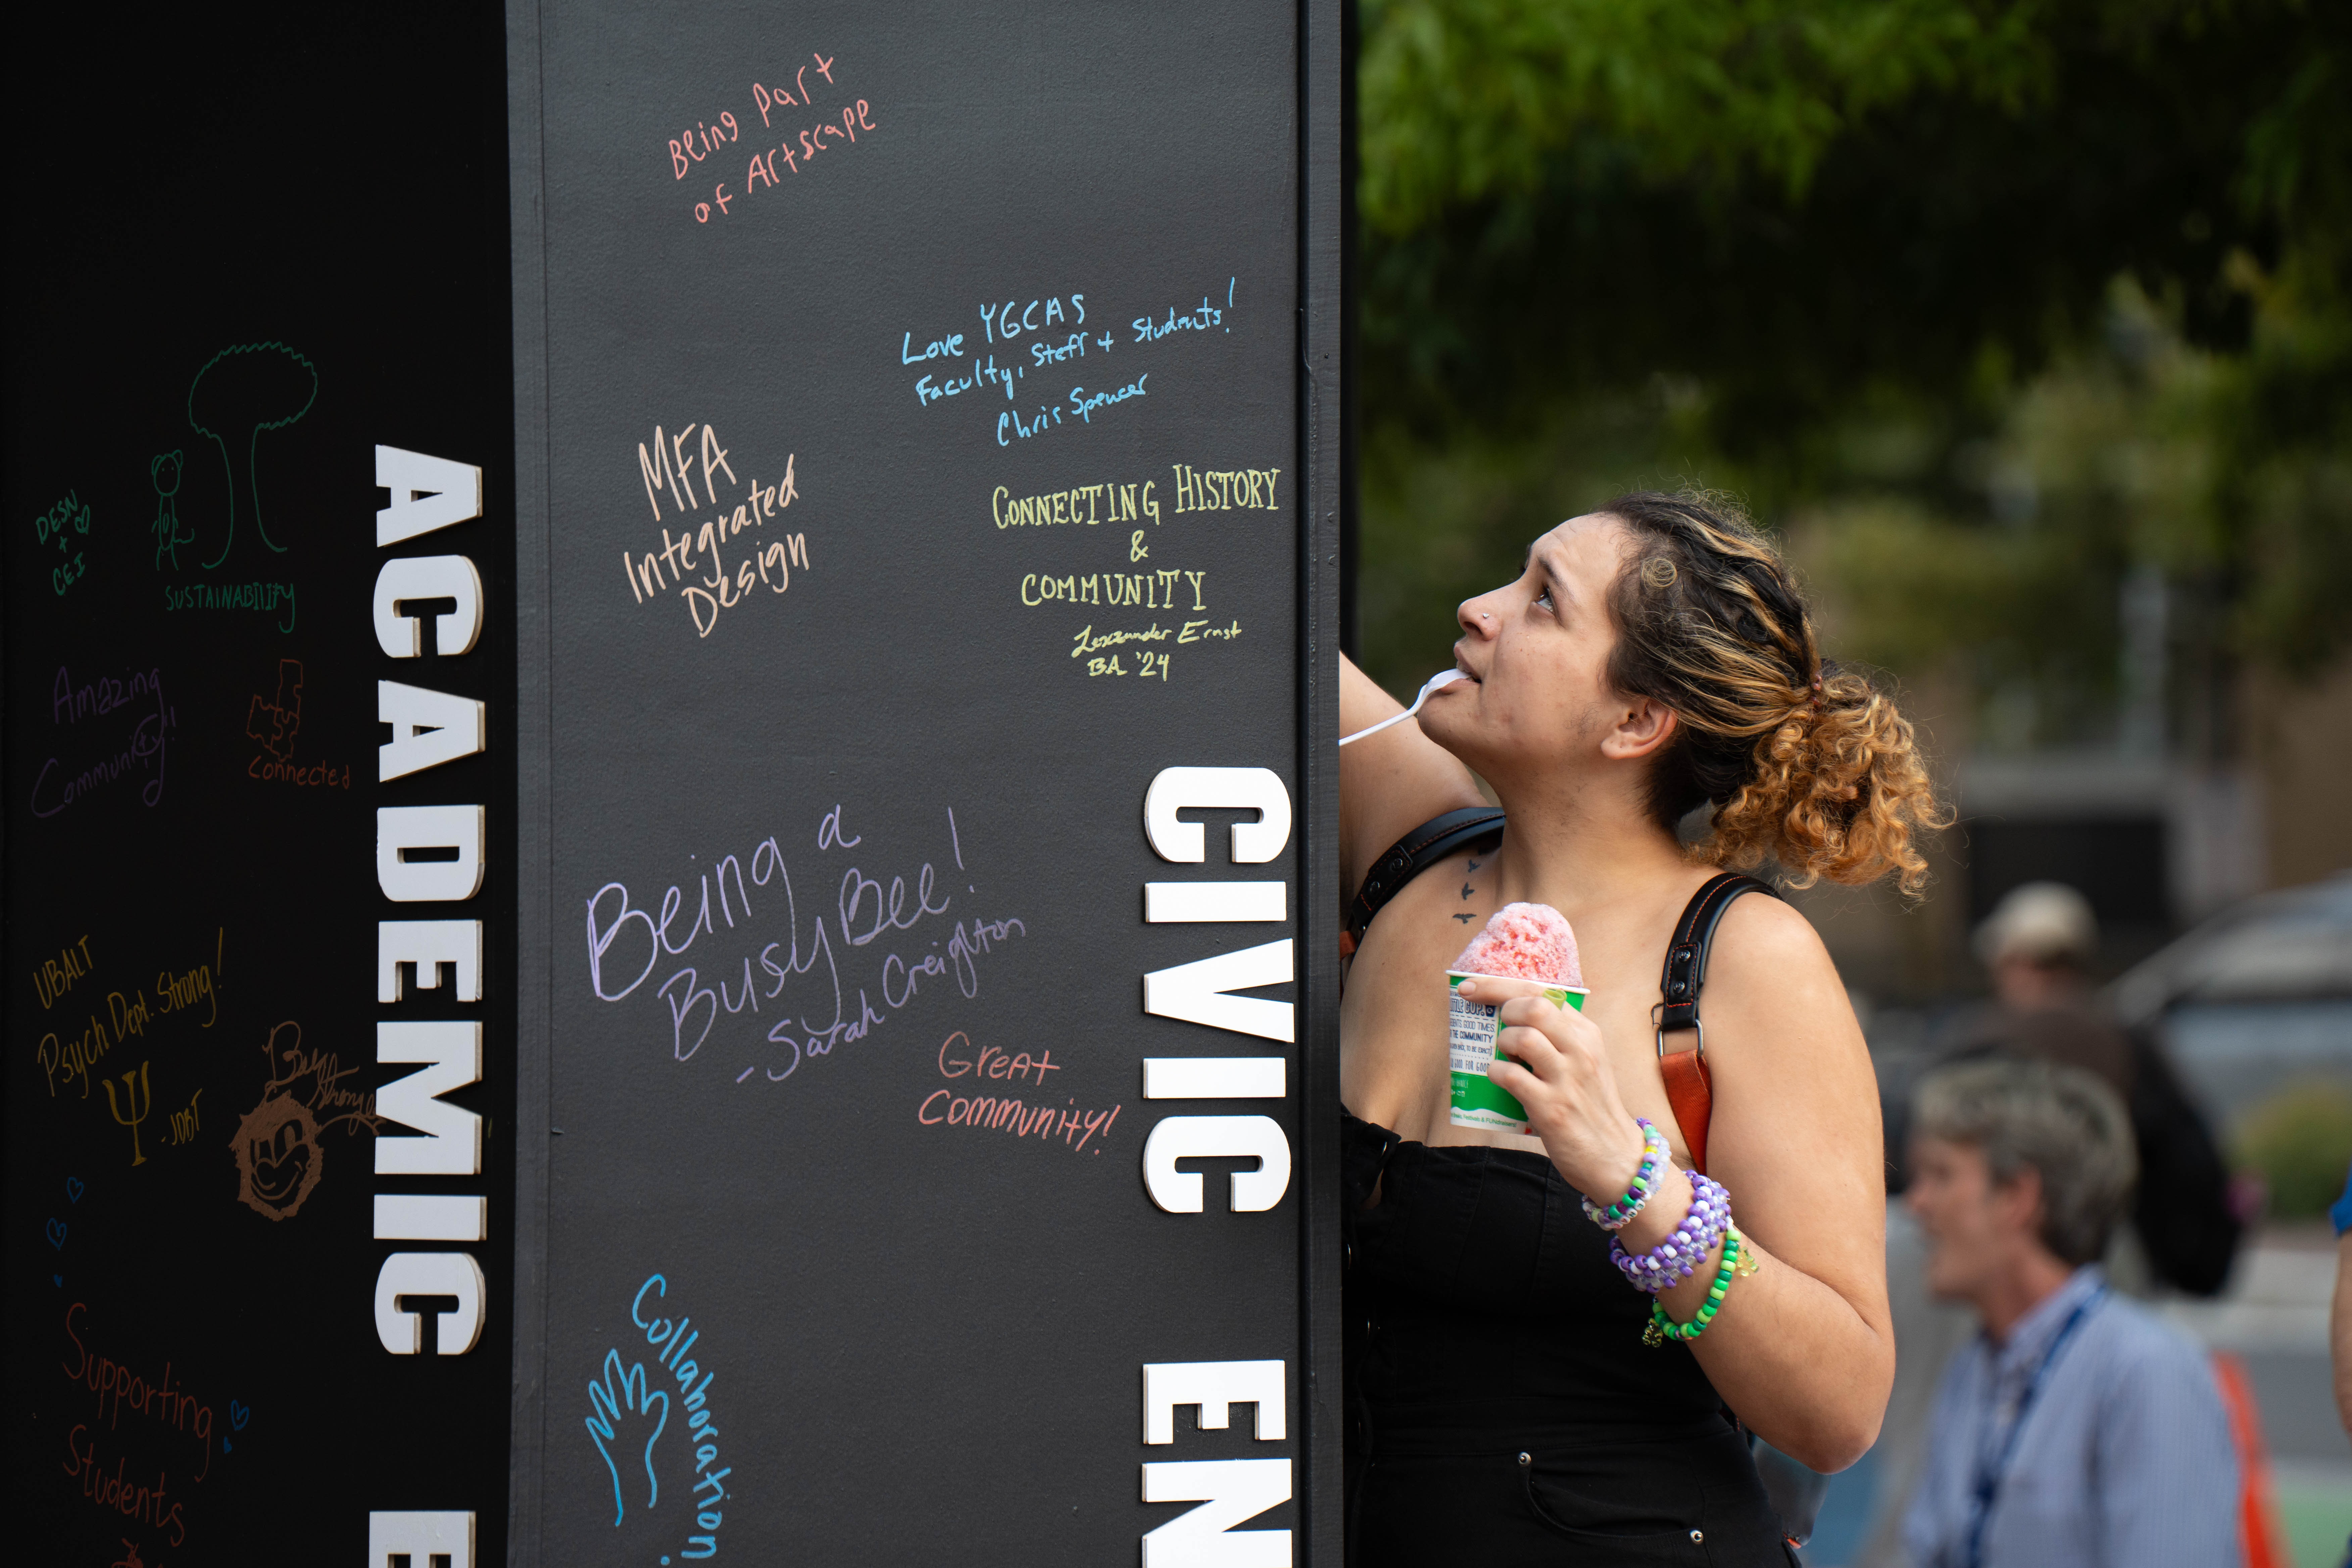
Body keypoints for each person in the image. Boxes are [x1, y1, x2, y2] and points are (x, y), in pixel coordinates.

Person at [1339, 489, 1946, 1564]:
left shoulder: (1742, 962)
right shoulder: (1410, 856)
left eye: (1542, 600)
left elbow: (1842, 1407)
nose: (1479, 609)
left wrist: (1632, 1181)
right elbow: (1235, 611)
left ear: (1635, 721)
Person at [1900, 1058, 2239, 1568]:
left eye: (1941, 1175)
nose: (1917, 1203)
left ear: (2017, 1197)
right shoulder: (1974, 1367)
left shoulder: (2146, 1371)